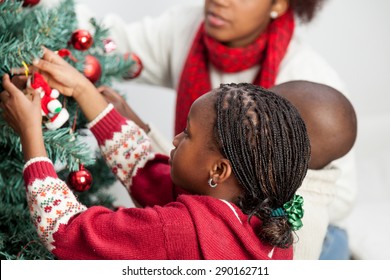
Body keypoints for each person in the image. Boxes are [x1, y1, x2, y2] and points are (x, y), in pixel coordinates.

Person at [75, 0, 357, 259]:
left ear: (279, 4)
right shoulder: (188, 29)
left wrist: (140, 132)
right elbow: (104, 39)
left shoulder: (308, 86)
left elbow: (340, 197)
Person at [0, 47, 310, 260]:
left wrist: (31, 134)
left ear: (218, 171)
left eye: (187, 133)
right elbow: (146, 172)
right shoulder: (262, 220)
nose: (174, 139)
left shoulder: (176, 230)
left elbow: (66, 230)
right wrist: (83, 90)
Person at [98, 79, 358, 259]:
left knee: (335, 245)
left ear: (289, 146)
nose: (254, 106)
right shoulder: (260, 177)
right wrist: (139, 129)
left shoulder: (303, 227)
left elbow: (201, 166)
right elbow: (197, 165)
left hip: (325, 247)